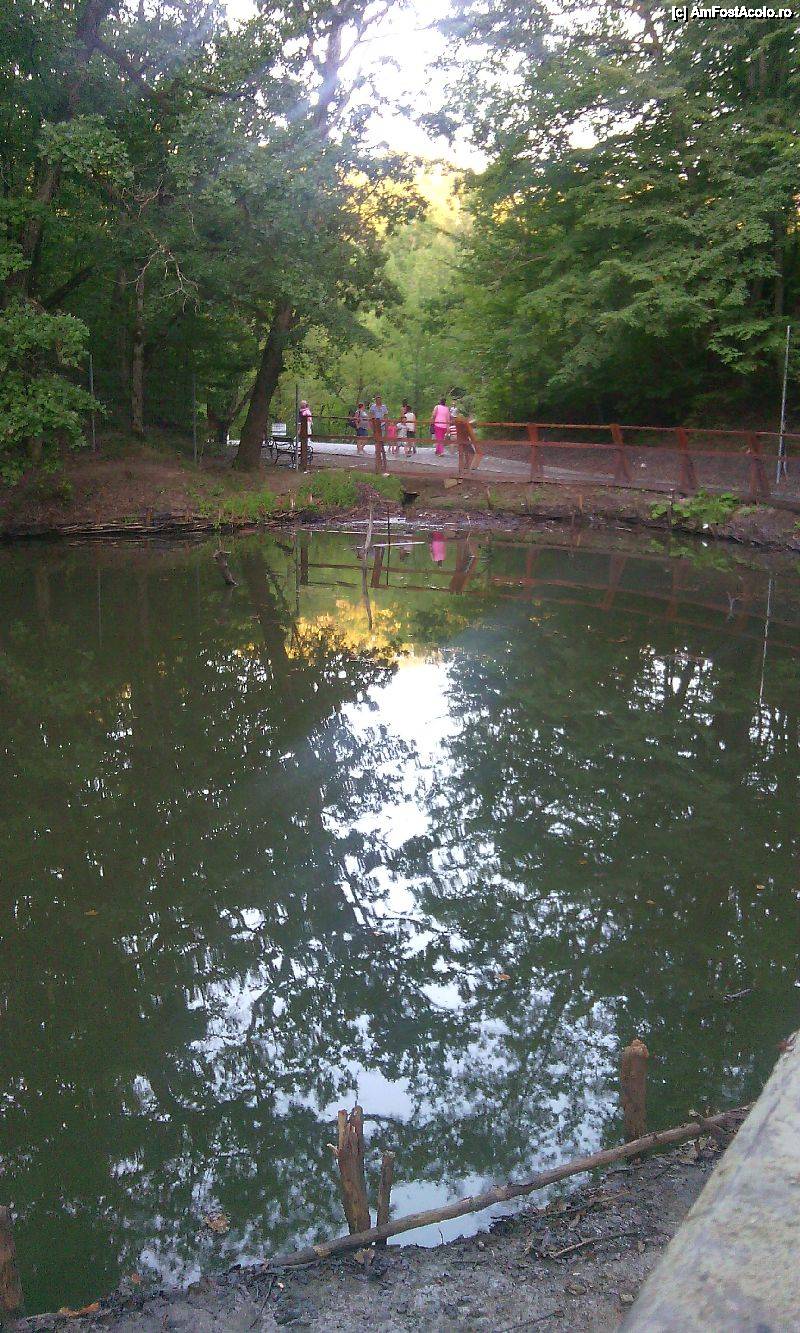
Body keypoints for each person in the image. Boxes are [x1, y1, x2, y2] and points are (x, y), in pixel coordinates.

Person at [454, 406, 479, 475]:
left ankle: (463, 469)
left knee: (463, 453)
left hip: (461, 439)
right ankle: (467, 469)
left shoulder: (458, 421)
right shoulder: (463, 422)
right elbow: (470, 431)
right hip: (465, 439)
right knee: (470, 453)